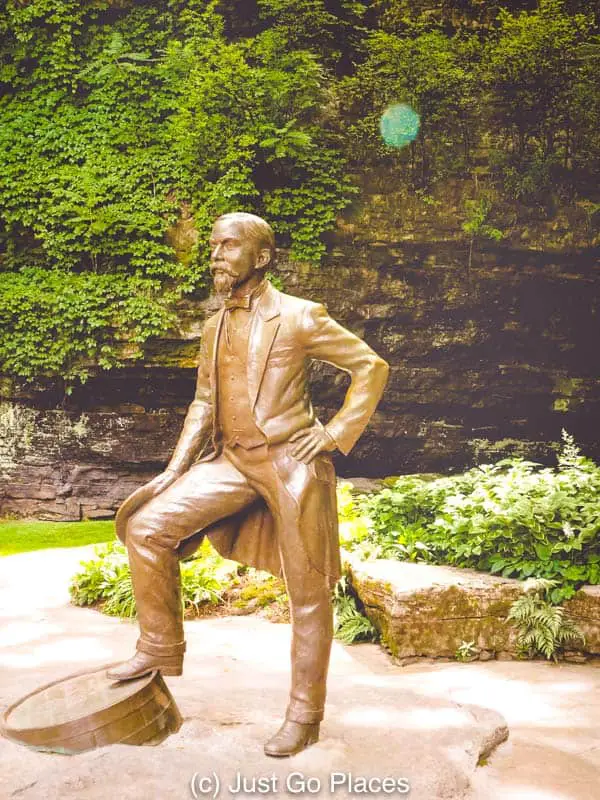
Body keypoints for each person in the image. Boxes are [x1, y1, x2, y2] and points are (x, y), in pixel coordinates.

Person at [108, 212, 389, 757]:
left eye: (228, 245)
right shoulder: (215, 321)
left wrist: (332, 434)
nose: (216, 254)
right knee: (145, 528)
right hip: (230, 460)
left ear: (260, 257)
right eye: (213, 245)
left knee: (308, 593)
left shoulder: (302, 316)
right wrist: (174, 468)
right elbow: (205, 402)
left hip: (290, 464)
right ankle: (159, 647)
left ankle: (304, 715)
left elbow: (370, 367)